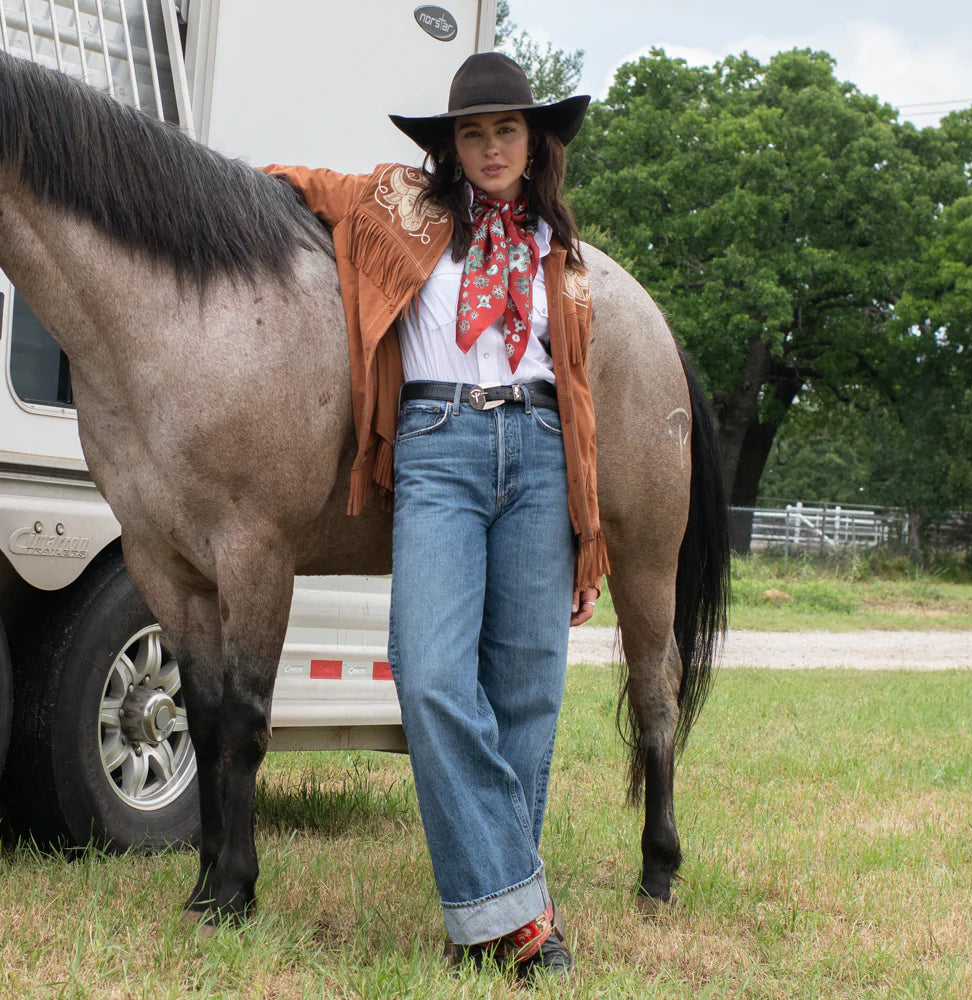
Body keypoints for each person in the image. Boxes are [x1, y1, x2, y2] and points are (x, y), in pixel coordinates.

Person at [264, 51, 608, 978]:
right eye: (473, 131)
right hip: (438, 445)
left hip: (538, 452)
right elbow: (310, 187)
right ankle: (519, 911)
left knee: (527, 689)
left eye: (507, 129)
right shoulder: (403, 208)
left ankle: (498, 930)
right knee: (428, 670)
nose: (491, 147)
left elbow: (577, 396)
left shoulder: (560, 252)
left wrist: (589, 525)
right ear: (451, 145)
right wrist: (218, 181)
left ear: (533, 140)